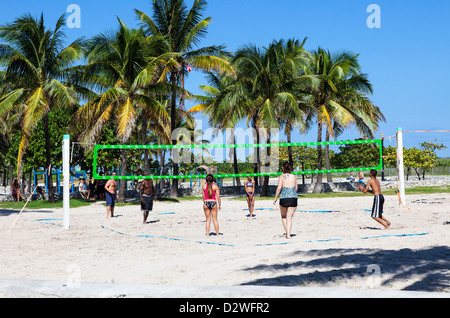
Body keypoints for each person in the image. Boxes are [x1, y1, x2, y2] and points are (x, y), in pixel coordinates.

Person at [273, 162, 298, 239]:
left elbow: (279, 188)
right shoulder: (294, 176)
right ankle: (288, 235)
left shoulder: (281, 176)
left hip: (284, 198)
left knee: (284, 216)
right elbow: (296, 188)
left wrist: (275, 198)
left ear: (283, 168)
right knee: (289, 217)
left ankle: (287, 232)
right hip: (293, 197)